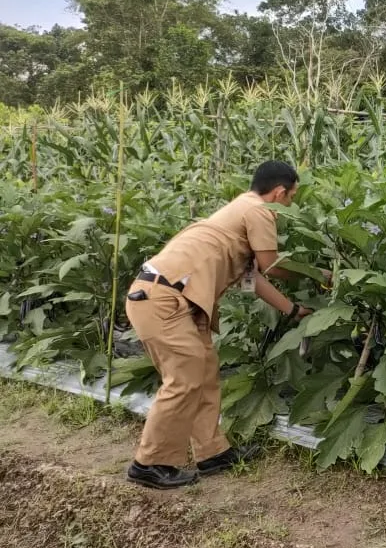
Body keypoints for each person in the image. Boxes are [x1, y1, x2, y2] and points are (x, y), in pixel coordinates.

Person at [123, 161, 324, 489]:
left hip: (175, 299)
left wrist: (291, 309)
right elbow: (271, 265)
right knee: (184, 380)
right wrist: (318, 274)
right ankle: (150, 463)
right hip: (163, 298)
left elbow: (253, 277)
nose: (291, 205)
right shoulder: (258, 210)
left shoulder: (238, 211)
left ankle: (212, 452)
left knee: (203, 376)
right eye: (291, 197)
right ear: (279, 192)